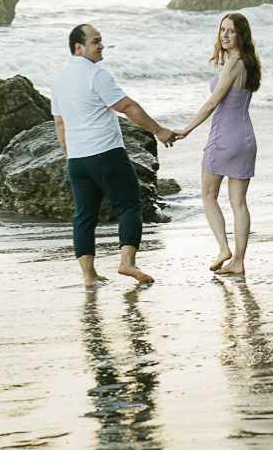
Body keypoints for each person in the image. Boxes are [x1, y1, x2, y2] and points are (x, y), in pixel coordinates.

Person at [51, 23, 180, 288]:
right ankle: (127, 262)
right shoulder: (96, 75)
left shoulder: (58, 79)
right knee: (130, 205)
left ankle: (89, 276)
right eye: (96, 41)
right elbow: (127, 106)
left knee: (84, 216)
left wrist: (70, 156)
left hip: (77, 160)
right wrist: (159, 130)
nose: (101, 46)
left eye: (101, 41)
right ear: (79, 47)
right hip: (106, 154)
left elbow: (59, 124)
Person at [177, 12, 262, 276]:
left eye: (231, 31)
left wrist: (187, 129)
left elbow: (213, 103)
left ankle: (224, 248)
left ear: (241, 35)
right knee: (239, 204)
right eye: (222, 30)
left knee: (208, 195)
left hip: (224, 137)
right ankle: (238, 262)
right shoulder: (250, 63)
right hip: (246, 138)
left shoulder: (232, 64)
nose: (224, 35)